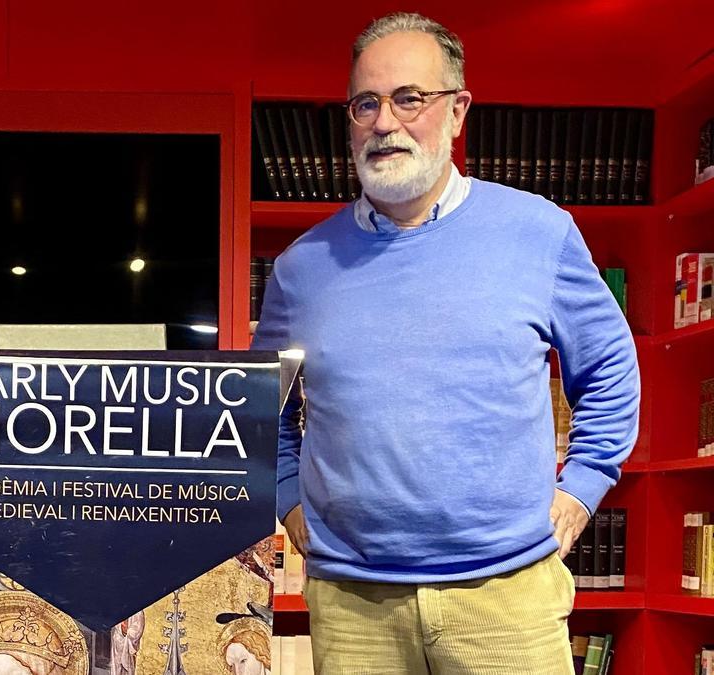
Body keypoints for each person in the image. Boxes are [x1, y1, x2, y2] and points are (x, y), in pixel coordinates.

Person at [252, 12, 639, 674]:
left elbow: (609, 369)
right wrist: (288, 497)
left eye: (410, 98)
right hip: (353, 604)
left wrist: (582, 486)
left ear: (458, 111)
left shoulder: (539, 233)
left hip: (506, 596)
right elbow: (265, 409)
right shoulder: (300, 267)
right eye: (365, 103)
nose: (384, 121)